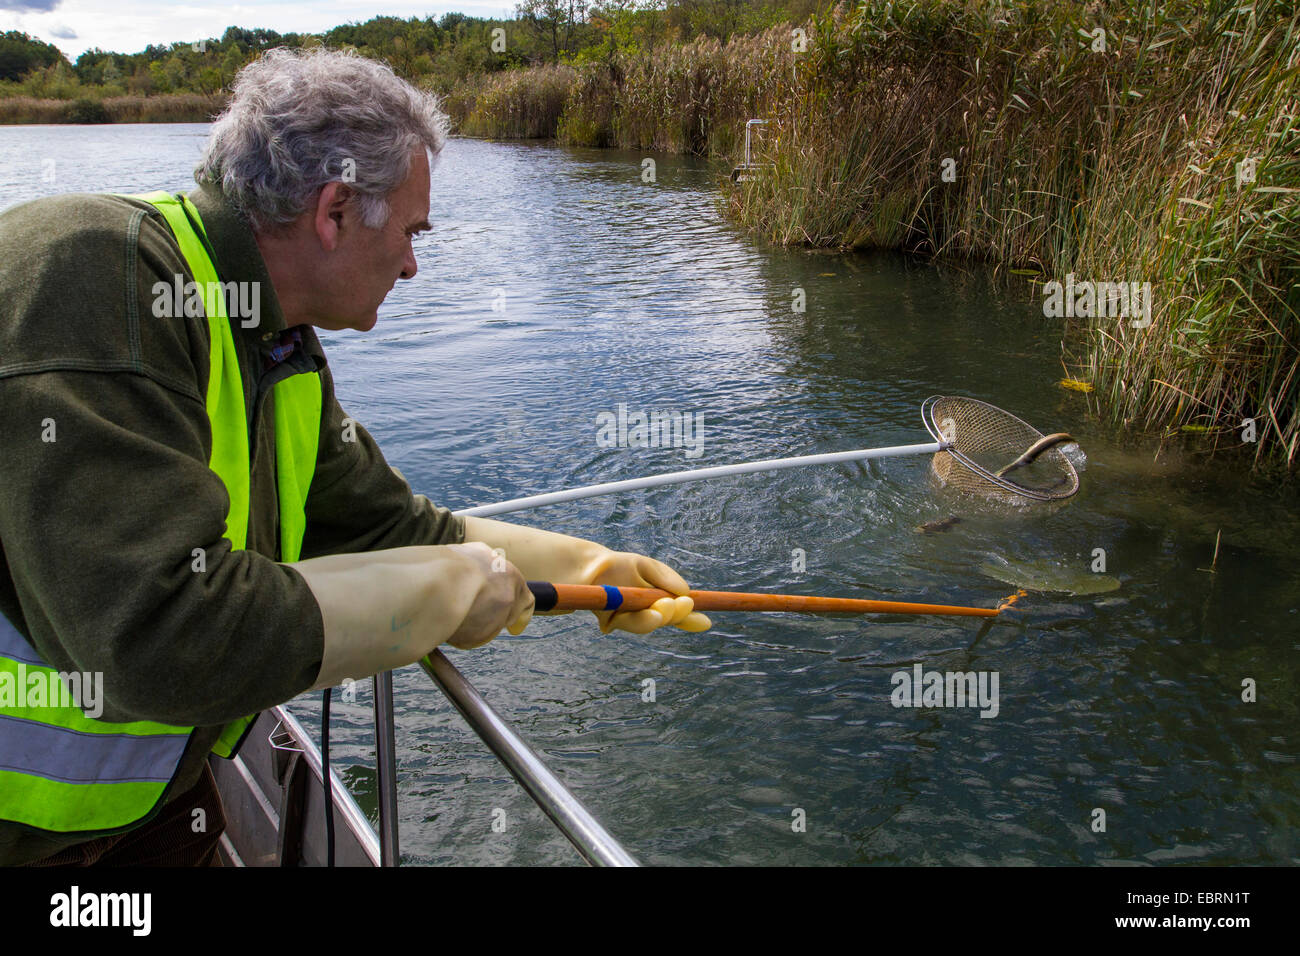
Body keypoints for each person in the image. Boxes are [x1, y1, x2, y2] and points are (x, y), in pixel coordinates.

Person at [0, 47, 709, 867]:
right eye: (411, 231)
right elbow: (162, 637)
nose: (412, 263)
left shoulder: (273, 338)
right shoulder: (92, 279)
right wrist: (435, 597)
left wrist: (591, 570)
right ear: (335, 210)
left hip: (144, 807)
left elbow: (387, 526)